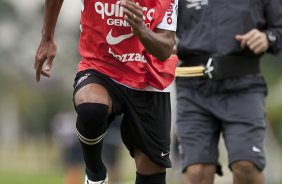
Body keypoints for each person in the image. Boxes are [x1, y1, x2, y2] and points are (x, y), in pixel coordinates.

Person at [34, 0, 179, 183]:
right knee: (91, 108)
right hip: (101, 66)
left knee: (153, 177)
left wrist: (142, 30)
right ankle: (95, 174)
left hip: (149, 79)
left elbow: (166, 47)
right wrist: (47, 36)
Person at [175, 0, 282, 184]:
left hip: (244, 87)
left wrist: (268, 37)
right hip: (193, 88)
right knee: (197, 171)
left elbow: (278, 28)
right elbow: (158, 26)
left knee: (246, 166)